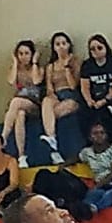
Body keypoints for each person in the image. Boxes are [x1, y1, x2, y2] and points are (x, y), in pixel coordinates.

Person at [40, 31, 83, 165]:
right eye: (58, 44)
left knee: (49, 115)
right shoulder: (50, 66)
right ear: (54, 47)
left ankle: (53, 145)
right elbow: (49, 87)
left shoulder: (75, 61)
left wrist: (66, 67)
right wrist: (52, 95)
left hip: (71, 95)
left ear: (69, 45)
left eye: (64, 43)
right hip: (56, 96)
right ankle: (52, 139)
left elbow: (73, 85)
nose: (61, 47)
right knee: (46, 101)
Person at [1, 40, 44, 166]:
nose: (23, 56)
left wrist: (35, 62)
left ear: (32, 54)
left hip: (35, 104)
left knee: (15, 102)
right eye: (20, 53)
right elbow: (11, 81)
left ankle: (3, 137)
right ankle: (22, 156)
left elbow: (36, 81)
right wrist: (14, 63)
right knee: (19, 115)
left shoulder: (39, 68)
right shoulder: (16, 69)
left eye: (26, 53)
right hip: (20, 105)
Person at [79, 121, 112, 216]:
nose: (99, 136)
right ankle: (83, 211)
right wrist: (63, 165)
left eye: (102, 133)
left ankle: (95, 209)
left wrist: (97, 185)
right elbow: (76, 157)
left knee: (109, 195)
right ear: (90, 137)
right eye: (95, 133)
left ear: (107, 135)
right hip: (102, 187)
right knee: (92, 195)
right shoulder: (87, 152)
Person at [78, 34, 112, 133]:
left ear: (106, 48)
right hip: (93, 100)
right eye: (92, 49)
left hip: (111, 99)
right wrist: (89, 101)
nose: (96, 51)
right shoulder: (87, 65)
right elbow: (84, 86)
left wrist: (105, 100)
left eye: (99, 47)